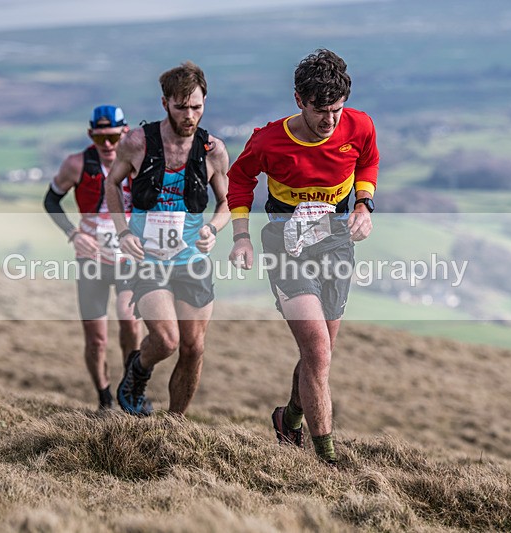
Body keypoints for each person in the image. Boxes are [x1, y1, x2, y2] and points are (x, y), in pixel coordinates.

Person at [226, 49, 379, 464]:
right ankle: (326, 457)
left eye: (336, 109)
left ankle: (289, 418)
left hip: (335, 245)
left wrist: (364, 205)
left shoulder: (359, 125)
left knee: (322, 353)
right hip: (285, 247)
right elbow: (239, 181)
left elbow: (368, 161)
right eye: (320, 110)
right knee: (317, 351)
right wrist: (242, 237)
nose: (329, 121)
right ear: (299, 100)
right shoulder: (269, 140)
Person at [105, 61, 230, 417]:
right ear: (165, 104)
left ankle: (175, 424)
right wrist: (123, 231)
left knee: (193, 347)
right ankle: (138, 369)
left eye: (197, 107)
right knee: (167, 340)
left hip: (191, 259)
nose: (190, 116)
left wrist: (212, 229)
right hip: (148, 258)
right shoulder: (137, 143)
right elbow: (111, 183)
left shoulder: (213, 150)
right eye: (181, 107)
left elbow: (227, 202)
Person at [43, 104, 142, 411]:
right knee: (96, 339)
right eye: (101, 139)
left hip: (128, 258)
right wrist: (74, 234)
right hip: (92, 260)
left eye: (113, 136)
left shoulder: (138, 163)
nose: (108, 145)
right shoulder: (76, 164)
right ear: (91, 136)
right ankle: (104, 399)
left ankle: (131, 391)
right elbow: (51, 200)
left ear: (125, 132)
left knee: (130, 323)